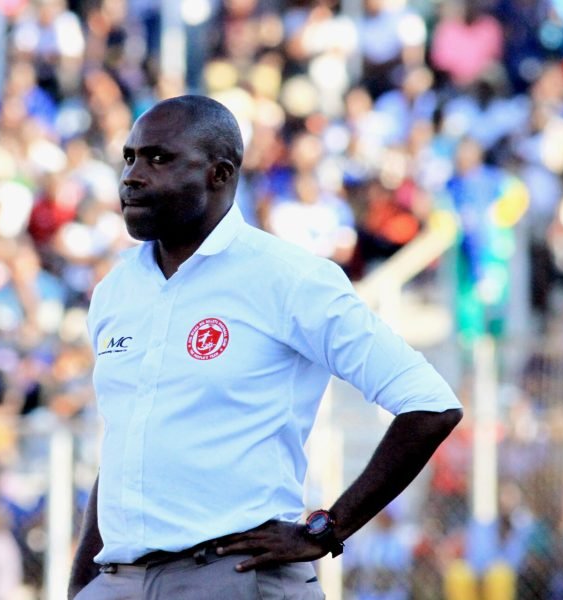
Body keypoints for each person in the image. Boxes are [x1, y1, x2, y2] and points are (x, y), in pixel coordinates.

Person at [68, 96, 462, 599]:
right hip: (119, 581)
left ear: (219, 173)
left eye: (159, 159)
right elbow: (126, 443)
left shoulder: (288, 278)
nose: (132, 176)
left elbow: (430, 403)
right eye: (129, 158)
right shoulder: (116, 290)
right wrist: (82, 584)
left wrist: (328, 529)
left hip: (232, 576)